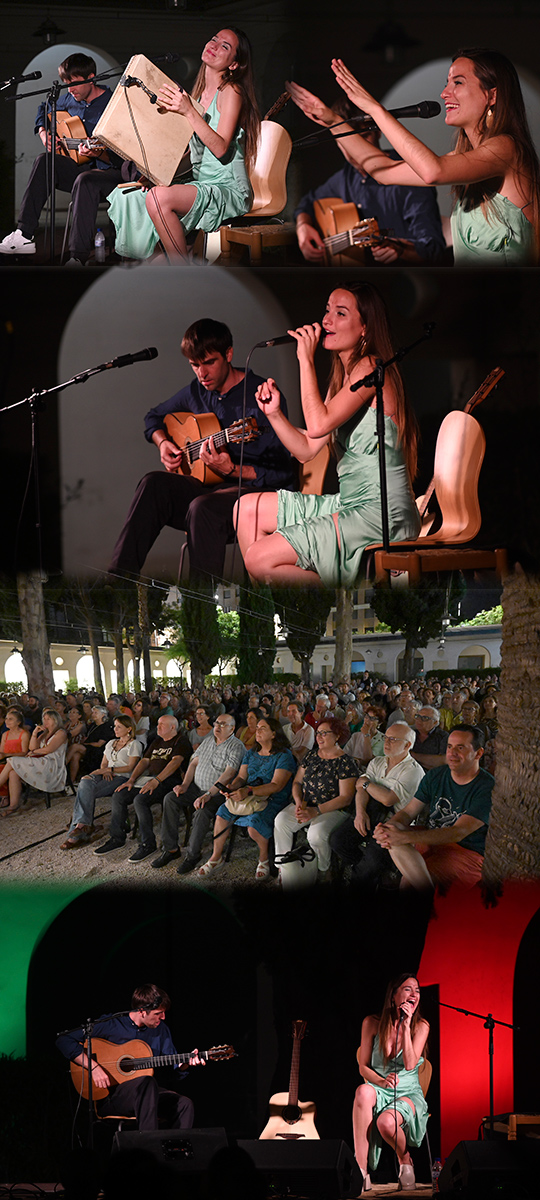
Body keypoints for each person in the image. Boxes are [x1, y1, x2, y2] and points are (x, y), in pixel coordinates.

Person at [235, 282, 420, 587]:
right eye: (327, 311)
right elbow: (307, 448)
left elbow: (319, 424)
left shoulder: (370, 367)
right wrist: (274, 414)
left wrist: (305, 360)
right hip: (349, 503)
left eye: (340, 313)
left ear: (364, 328)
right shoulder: (344, 379)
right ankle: (273, 616)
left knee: (258, 559)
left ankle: (328, 608)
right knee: (246, 510)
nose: (326, 321)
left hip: (380, 512)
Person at [109, 318, 296, 584]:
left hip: (255, 498)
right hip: (212, 492)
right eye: (195, 365)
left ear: (228, 354)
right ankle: (118, 585)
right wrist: (163, 443)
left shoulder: (261, 395)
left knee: (202, 508)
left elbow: (282, 474)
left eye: (209, 362)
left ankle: (200, 612)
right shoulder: (196, 391)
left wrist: (231, 469)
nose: (202, 373)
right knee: (153, 484)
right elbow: (154, 417)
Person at [330, 49, 540, 266]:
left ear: (492, 95)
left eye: (458, 82)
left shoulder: (507, 147)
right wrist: (331, 121)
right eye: (446, 83)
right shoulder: (463, 157)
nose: (444, 93)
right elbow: (383, 172)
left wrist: (375, 110)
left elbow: (432, 171)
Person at [111, 28, 260, 263]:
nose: (214, 44)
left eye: (225, 46)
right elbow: (194, 154)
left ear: (234, 64)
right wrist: (158, 175)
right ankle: (166, 265)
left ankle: (183, 273)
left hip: (229, 189)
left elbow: (220, 149)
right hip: (203, 183)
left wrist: (189, 112)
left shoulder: (232, 91)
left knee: (158, 199)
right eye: (213, 39)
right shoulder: (199, 96)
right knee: (128, 197)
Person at [288, 89, 445, 265]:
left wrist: (400, 249)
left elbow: (434, 250)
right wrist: (303, 228)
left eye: (364, 137)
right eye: (346, 143)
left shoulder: (409, 175)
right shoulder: (344, 178)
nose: (356, 150)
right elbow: (306, 204)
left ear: (378, 132)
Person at [0, 53, 124, 265]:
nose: (70, 90)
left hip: (111, 173)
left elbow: (123, 153)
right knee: (44, 161)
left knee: (86, 180)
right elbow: (44, 108)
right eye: (67, 84)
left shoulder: (113, 105)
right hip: (80, 169)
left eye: (74, 83)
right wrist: (44, 133)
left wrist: (99, 153)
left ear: (91, 77)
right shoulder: (68, 99)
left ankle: (78, 256)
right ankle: (24, 235)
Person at [56, 983, 201, 1129]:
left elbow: (172, 1072)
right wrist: (94, 1067)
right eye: (158, 1013)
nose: (163, 1017)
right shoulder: (112, 1024)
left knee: (184, 1104)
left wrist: (184, 1065)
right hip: (112, 1097)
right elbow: (64, 1040)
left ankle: (178, 1149)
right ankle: (149, 1145)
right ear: (142, 1011)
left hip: (147, 1095)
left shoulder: (161, 1030)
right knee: (147, 1082)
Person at [374, 725, 494, 891]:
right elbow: (408, 812)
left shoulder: (486, 787)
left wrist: (405, 837)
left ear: (478, 753)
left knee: (407, 885)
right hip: (431, 841)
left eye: (460, 748)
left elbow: (457, 832)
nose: (452, 753)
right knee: (391, 832)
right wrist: (387, 828)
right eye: (450, 746)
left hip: (465, 850)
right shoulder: (436, 775)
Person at [352, 974, 430, 1192]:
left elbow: (409, 1064)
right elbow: (363, 1066)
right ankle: (361, 1171)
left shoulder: (421, 1026)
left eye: (417, 990)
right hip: (379, 1086)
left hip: (408, 1092)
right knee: (362, 1092)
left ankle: (405, 1160)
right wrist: (381, 1081)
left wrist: (406, 1025)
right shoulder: (372, 1023)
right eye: (407, 989)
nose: (414, 994)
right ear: (393, 995)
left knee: (386, 1123)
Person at [198, 716, 295, 880]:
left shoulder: (284, 756)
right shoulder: (251, 753)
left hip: (273, 799)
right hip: (248, 794)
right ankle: (216, 857)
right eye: (257, 727)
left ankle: (263, 859)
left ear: (273, 733)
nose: (257, 731)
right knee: (222, 812)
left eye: (262, 728)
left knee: (254, 824)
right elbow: (241, 777)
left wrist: (248, 791)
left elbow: (276, 785)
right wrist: (232, 787)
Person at [331, 723, 425, 883]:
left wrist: (367, 784)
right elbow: (360, 789)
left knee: (372, 860)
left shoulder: (413, 770)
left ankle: (364, 876)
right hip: (370, 814)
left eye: (393, 739)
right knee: (338, 841)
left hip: (395, 822)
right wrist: (360, 813)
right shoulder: (378, 762)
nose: (386, 743)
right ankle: (366, 869)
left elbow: (388, 799)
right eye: (385, 738)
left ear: (407, 745)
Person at [153, 712, 245, 874]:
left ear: (232, 728)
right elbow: (194, 763)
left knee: (202, 811)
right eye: (216, 723)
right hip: (196, 787)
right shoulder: (208, 741)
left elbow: (229, 773)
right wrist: (184, 785)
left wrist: (209, 793)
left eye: (223, 724)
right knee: (171, 798)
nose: (218, 726)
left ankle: (193, 855)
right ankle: (171, 849)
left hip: (218, 792)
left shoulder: (236, 746)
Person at [94, 715, 192, 859]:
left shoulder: (181, 740)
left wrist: (157, 780)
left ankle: (148, 843)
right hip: (149, 778)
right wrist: (131, 780)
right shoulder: (157, 741)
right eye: (157, 723)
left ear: (172, 727)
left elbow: (175, 763)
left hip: (169, 781)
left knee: (140, 800)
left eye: (161, 725)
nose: (157, 727)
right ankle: (117, 837)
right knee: (119, 795)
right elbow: (144, 762)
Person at [274, 717, 359, 878]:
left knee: (316, 834)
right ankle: (284, 867)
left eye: (324, 733)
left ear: (338, 736)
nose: (318, 737)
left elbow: (345, 798)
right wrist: (299, 802)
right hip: (307, 803)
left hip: (333, 808)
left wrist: (316, 811)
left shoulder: (346, 762)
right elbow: (297, 782)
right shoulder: (312, 755)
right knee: (281, 821)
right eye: (318, 733)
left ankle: (322, 869)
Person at [60, 715, 142, 850]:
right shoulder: (111, 743)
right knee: (85, 782)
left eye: (119, 727)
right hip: (107, 774)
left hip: (122, 777)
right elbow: (103, 763)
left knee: (84, 788)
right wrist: (106, 770)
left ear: (128, 729)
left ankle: (77, 830)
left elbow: (130, 767)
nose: (115, 729)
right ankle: (83, 825)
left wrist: (110, 769)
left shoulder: (134, 744)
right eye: (114, 726)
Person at [0, 708, 68, 815]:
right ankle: (13, 805)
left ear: (55, 720)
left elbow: (49, 749)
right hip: (40, 761)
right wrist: (35, 734)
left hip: (51, 764)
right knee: (13, 772)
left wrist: (34, 752)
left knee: (12, 760)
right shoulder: (44, 733)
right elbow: (32, 747)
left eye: (48, 719)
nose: (45, 721)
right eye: (44, 719)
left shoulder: (61, 733)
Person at [0, 708, 30, 802]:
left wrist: (6, 754)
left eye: (10, 719)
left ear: (18, 722)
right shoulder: (5, 734)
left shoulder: (24, 734)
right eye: (6, 718)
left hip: (18, 761)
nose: (7, 721)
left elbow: (24, 752)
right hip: (6, 760)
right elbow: (1, 752)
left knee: (2, 769)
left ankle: (5, 797)